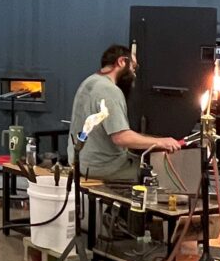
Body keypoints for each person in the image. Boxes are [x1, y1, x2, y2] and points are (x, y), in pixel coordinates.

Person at [68, 44, 182, 182]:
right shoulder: (109, 90)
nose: (134, 73)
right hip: (102, 167)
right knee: (159, 173)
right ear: (122, 62)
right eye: (134, 67)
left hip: (80, 162)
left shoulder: (89, 82)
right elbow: (121, 138)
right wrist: (161, 142)